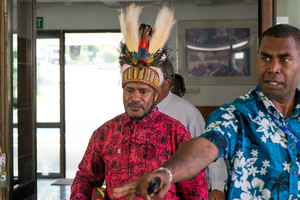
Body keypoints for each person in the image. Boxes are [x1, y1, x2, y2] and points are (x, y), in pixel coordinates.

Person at [112, 23, 300, 200]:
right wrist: (166, 173)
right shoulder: (235, 116)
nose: (273, 68)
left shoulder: (181, 116)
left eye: (284, 59)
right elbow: (205, 147)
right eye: (266, 58)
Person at [70, 4, 208, 200]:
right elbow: (85, 180)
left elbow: (195, 191)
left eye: (143, 91)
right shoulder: (104, 133)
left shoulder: (175, 133)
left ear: (155, 94)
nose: (135, 98)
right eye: (129, 90)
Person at [160, 71, 227, 200]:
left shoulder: (187, 112)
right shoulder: (139, 109)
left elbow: (209, 148)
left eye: (176, 93)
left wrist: (217, 186)